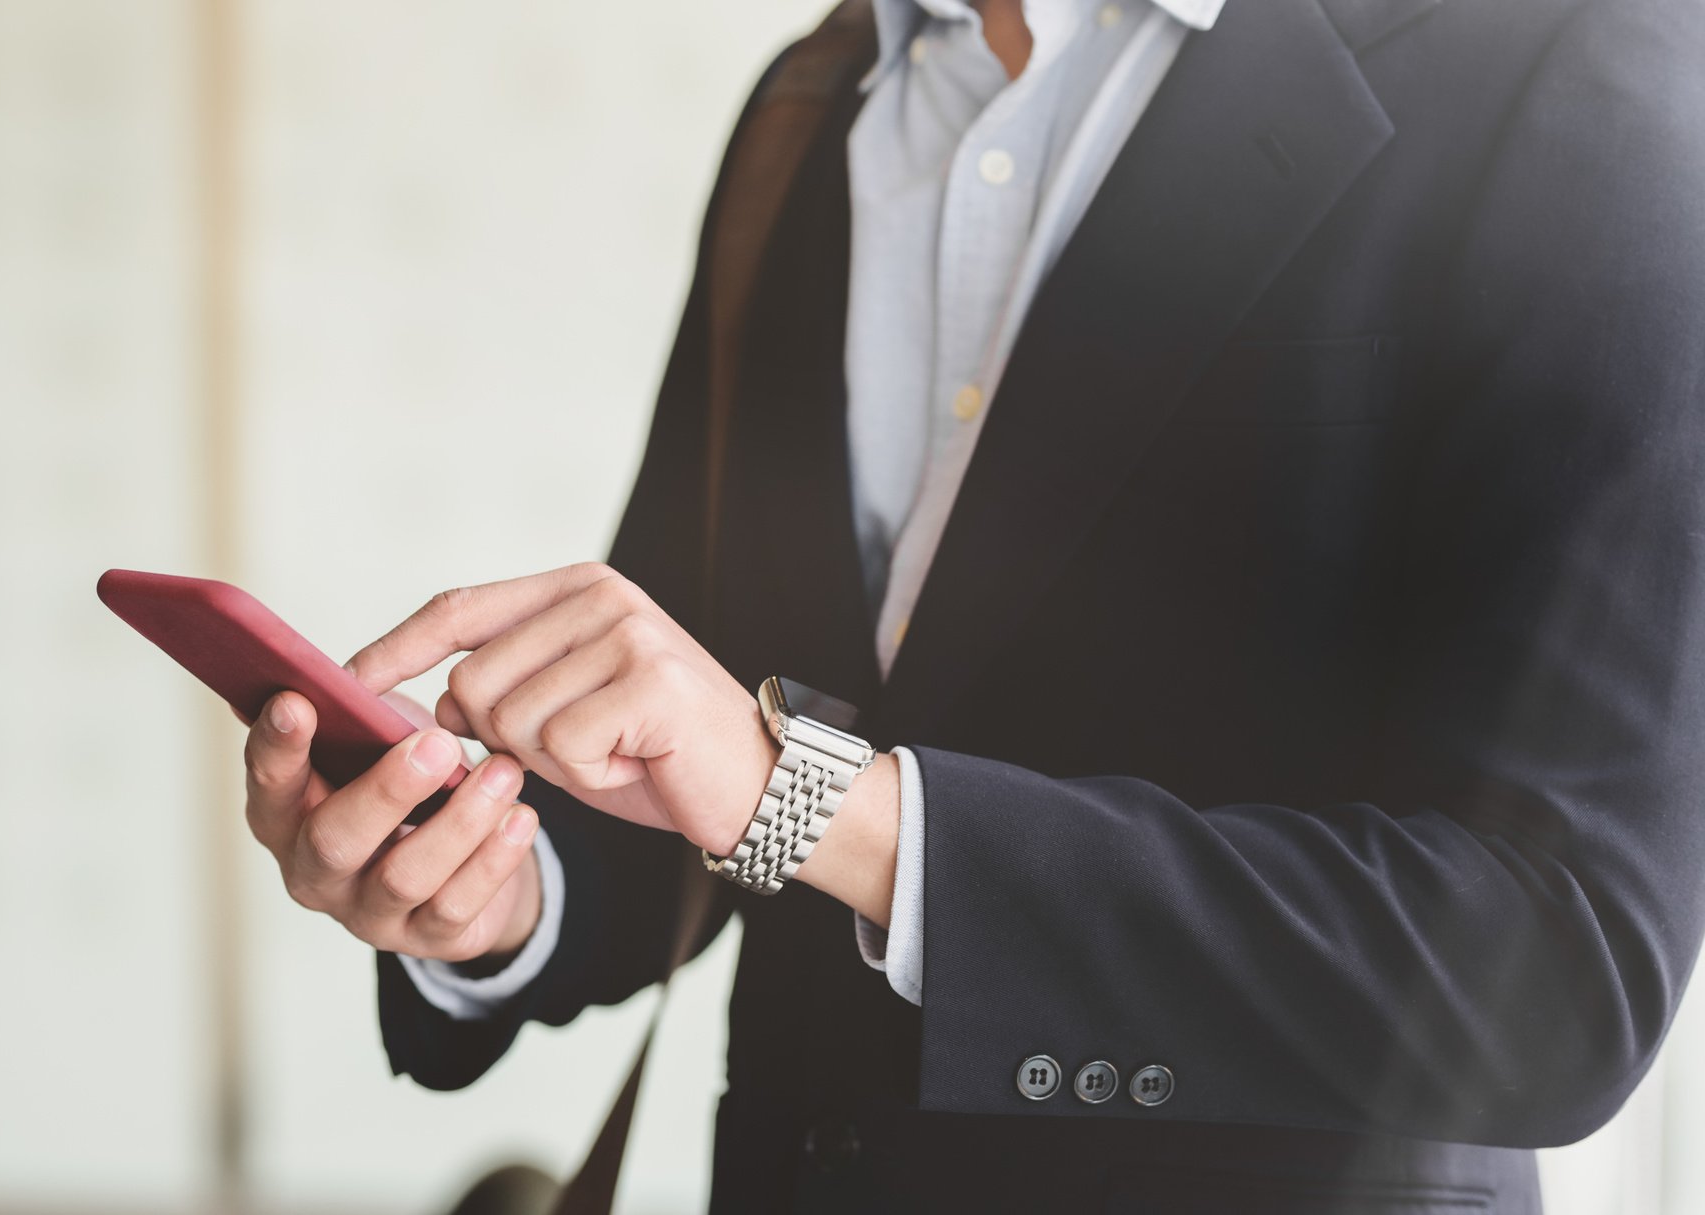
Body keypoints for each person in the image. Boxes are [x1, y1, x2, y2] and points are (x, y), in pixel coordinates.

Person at [240, 0, 1705, 1209]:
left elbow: (1558, 969)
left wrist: (816, 804)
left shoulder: (1572, 62)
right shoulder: (816, 106)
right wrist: (498, 895)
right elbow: (691, 753)